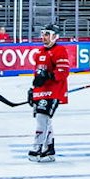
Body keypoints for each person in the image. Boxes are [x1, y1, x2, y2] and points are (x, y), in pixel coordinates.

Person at [27, 25, 71, 162]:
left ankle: (37, 147)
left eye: (47, 34)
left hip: (54, 91)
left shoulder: (60, 50)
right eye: (43, 34)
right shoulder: (39, 52)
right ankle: (48, 148)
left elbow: (63, 72)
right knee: (45, 120)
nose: (44, 37)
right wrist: (33, 90)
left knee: (42, 119)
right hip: (41, 92)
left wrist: (49, 76)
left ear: (55, 36)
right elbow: (38, 74)